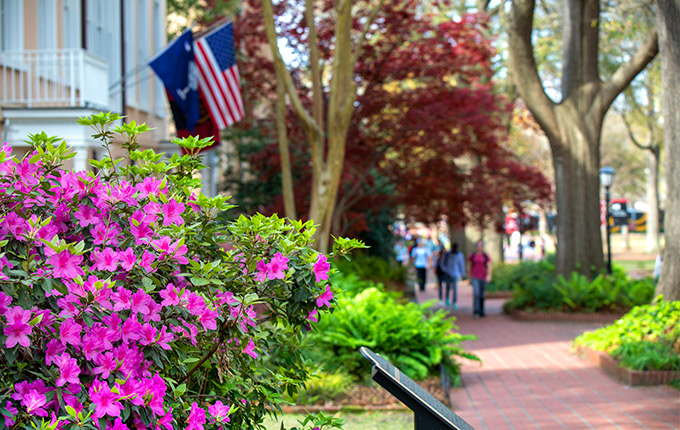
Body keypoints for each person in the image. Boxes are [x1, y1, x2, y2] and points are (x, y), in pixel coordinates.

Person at [467, 240, 492, 318]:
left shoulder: (485, 256)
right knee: (476, 294)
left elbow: (489, 266)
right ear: (476, 246)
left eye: (481, 245)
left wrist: (489, 275)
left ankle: (482, 310)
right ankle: (476, 311)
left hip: (483, 277)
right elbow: (469, 266)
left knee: (482, 295)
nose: (479, 247)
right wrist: (469, 277)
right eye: (478, 245)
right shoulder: (472, 255)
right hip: (475, 277)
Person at [439, 242, 466, 308]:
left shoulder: (459, 254)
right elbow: (442, 263)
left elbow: (461, 264)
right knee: (448, 287)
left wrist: (463, 273)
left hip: (455, 274)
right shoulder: (447, 254)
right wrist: (445, 270)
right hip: (448, 273)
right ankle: (447, 298)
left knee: (455, 288)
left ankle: (454, 302)